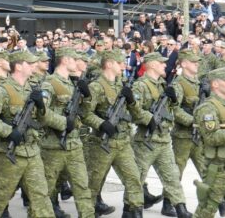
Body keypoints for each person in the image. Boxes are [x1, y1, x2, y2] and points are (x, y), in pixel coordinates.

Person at [0, 51, 55, 218]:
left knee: (41, 197)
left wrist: (41, 106)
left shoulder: (33, 89)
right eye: (30, 63)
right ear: (19, 66)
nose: (34, 66)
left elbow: (43, 119)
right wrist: (9, 132)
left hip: (32, 151)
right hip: (9, 154)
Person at [82, 50, 145, 217]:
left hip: (123, 142)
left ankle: (133, 211)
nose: (124, 65)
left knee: (134, 179)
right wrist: (102, 123)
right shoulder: (96, 87)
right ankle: (88, 212)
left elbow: (138, 116)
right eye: (120, 62)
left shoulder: (122, 85)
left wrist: (132, 101)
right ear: (109, 64)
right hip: (102, 144)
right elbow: (85, 113)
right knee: (93, 184)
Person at [131, 52, 192, 218]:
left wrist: (172, 101)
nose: (165, 65)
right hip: (146, 140)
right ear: (151, 65)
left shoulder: (163, 85)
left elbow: (171, 111)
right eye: (161, 63)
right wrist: (148, 118)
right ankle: (133, 209)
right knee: (138, 178)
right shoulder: (140, 85)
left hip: (164, 139)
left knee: (172, 176)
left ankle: (181, 208)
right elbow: (133, 110)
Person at [39, 47, 95, 217]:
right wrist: (64, 122)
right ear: (64, 60)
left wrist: (87, 96)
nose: (77, 62)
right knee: (46, 190)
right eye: (74, 59)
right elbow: (41, 113)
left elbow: (84, 113)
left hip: (74, 144)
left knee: (82, 187)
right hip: (53, 146)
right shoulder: (49, 83)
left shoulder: (72, 83)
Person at [193, 67, 225, 218]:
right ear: (215, 84)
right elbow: (211, 138)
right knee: (205, 213)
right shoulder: (207, 108)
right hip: (217, 171)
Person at [171, 49, 207, 183]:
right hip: (183, 137)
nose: (197, 64)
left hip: (199, 136)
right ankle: (168, 202)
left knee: (206, 171)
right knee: (177, 172)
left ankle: (219, 203)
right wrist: (193, 121)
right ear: (184, 64)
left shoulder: (199, 84)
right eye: (193, 62)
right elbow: (174, 109)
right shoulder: (178, 84)